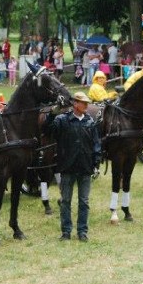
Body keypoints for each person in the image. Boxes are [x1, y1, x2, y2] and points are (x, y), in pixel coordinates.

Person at [44, 92, 101, 242]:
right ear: (75, 104)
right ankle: (66, 232)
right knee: (66, 201)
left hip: (85, 168)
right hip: (67, 167)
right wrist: (52, 113)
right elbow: (48, 130)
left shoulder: (90, 122)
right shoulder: (62, 120)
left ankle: (82, 231)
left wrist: (96, 162)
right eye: (83, 103)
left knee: (84, 202)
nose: (87, 105)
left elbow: (96, 144)